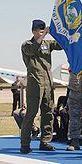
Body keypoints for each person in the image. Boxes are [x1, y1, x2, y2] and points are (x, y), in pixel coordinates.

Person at [20, 19, 62, 153]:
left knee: (48, 113)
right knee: (31, 113)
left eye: (44, 30)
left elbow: (62, 45)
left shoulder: (48, 44)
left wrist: (62, 32)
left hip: (48, 83)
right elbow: (32, 50)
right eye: (40, 30)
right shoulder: (27, 44)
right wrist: (44, 35)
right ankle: (25, 143)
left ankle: (45, 141)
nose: (43, 32)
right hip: (35, 83)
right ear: (34, 31)